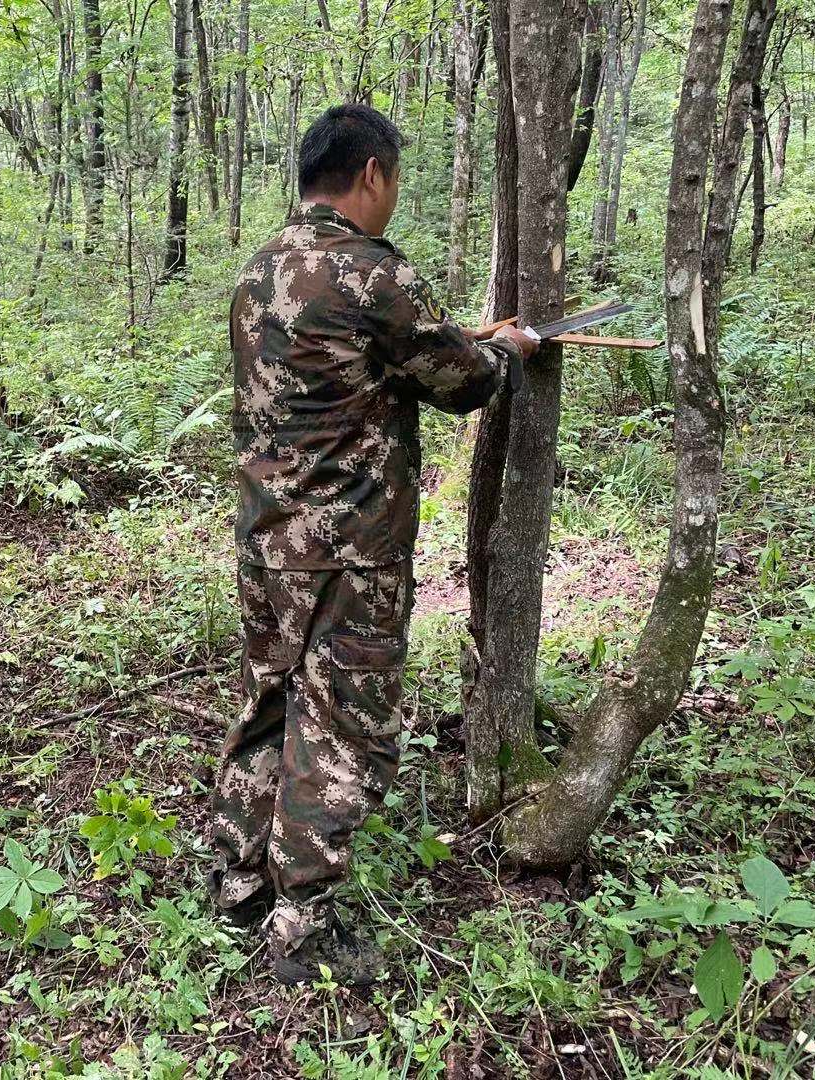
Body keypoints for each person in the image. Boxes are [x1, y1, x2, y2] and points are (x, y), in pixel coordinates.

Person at [207, 104, 539, 985]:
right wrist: (509, 348)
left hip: (267, 541)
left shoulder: (258, 271)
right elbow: (461, 380)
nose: (392, 196)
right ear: (369, 176)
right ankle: (303, 924)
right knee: (344, 726)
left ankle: (238, 877)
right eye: (392, 180)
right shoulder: (369, 274)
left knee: (270, 702)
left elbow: (364, 368)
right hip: (350, 546)